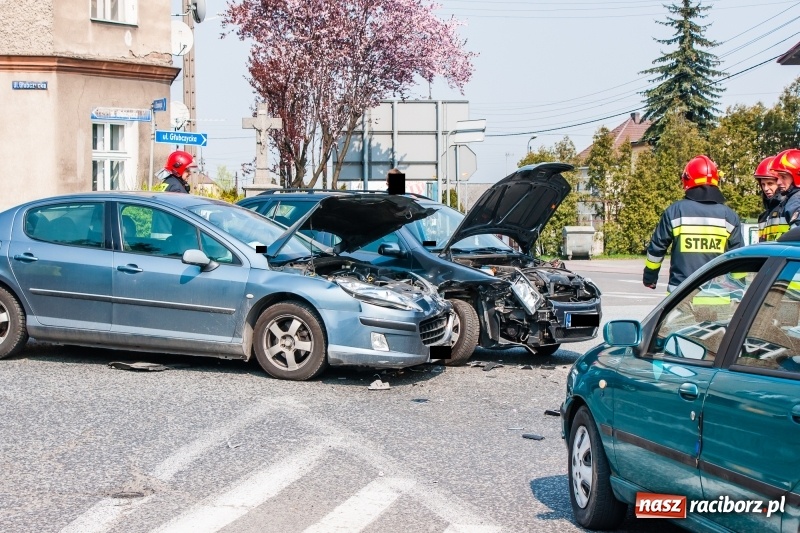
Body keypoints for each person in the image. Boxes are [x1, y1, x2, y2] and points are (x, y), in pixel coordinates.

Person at [643, 155, 743, 292]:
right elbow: (738, 258)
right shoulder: (729, 216)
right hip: (718, 295)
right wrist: (739, 289)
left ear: (687, 180)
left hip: (680, 295)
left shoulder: (675, 211)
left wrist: (650, 277)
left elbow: (657, 248)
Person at [753, 155, 787, 242]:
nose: (765, 189)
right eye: (763, 184)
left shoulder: (788, 209)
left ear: (780, 182)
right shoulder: (763, 217)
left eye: (770, 183)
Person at [771, 148, 800, 229]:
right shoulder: (790, 199)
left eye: (783, 177)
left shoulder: (796, 200)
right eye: (778, 177)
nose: (778, 182)